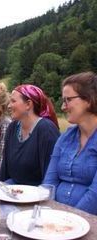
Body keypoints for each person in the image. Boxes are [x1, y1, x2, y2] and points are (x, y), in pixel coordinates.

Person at [43, 72, 97, 215]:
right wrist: (46, 213)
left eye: (68, 100)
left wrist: (69, 219)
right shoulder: (66, 137)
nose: (63, 107)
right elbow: (49, 182)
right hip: (55, 217)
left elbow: (95, 195)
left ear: (89, 100)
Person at [0, 84, 60, 185]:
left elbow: (50, 176)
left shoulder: (45, 130)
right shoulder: (13, 127)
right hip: (13, 189)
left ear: (28, 104)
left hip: (36, 193)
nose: (9, 106)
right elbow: (4, 169)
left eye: (13, 101)